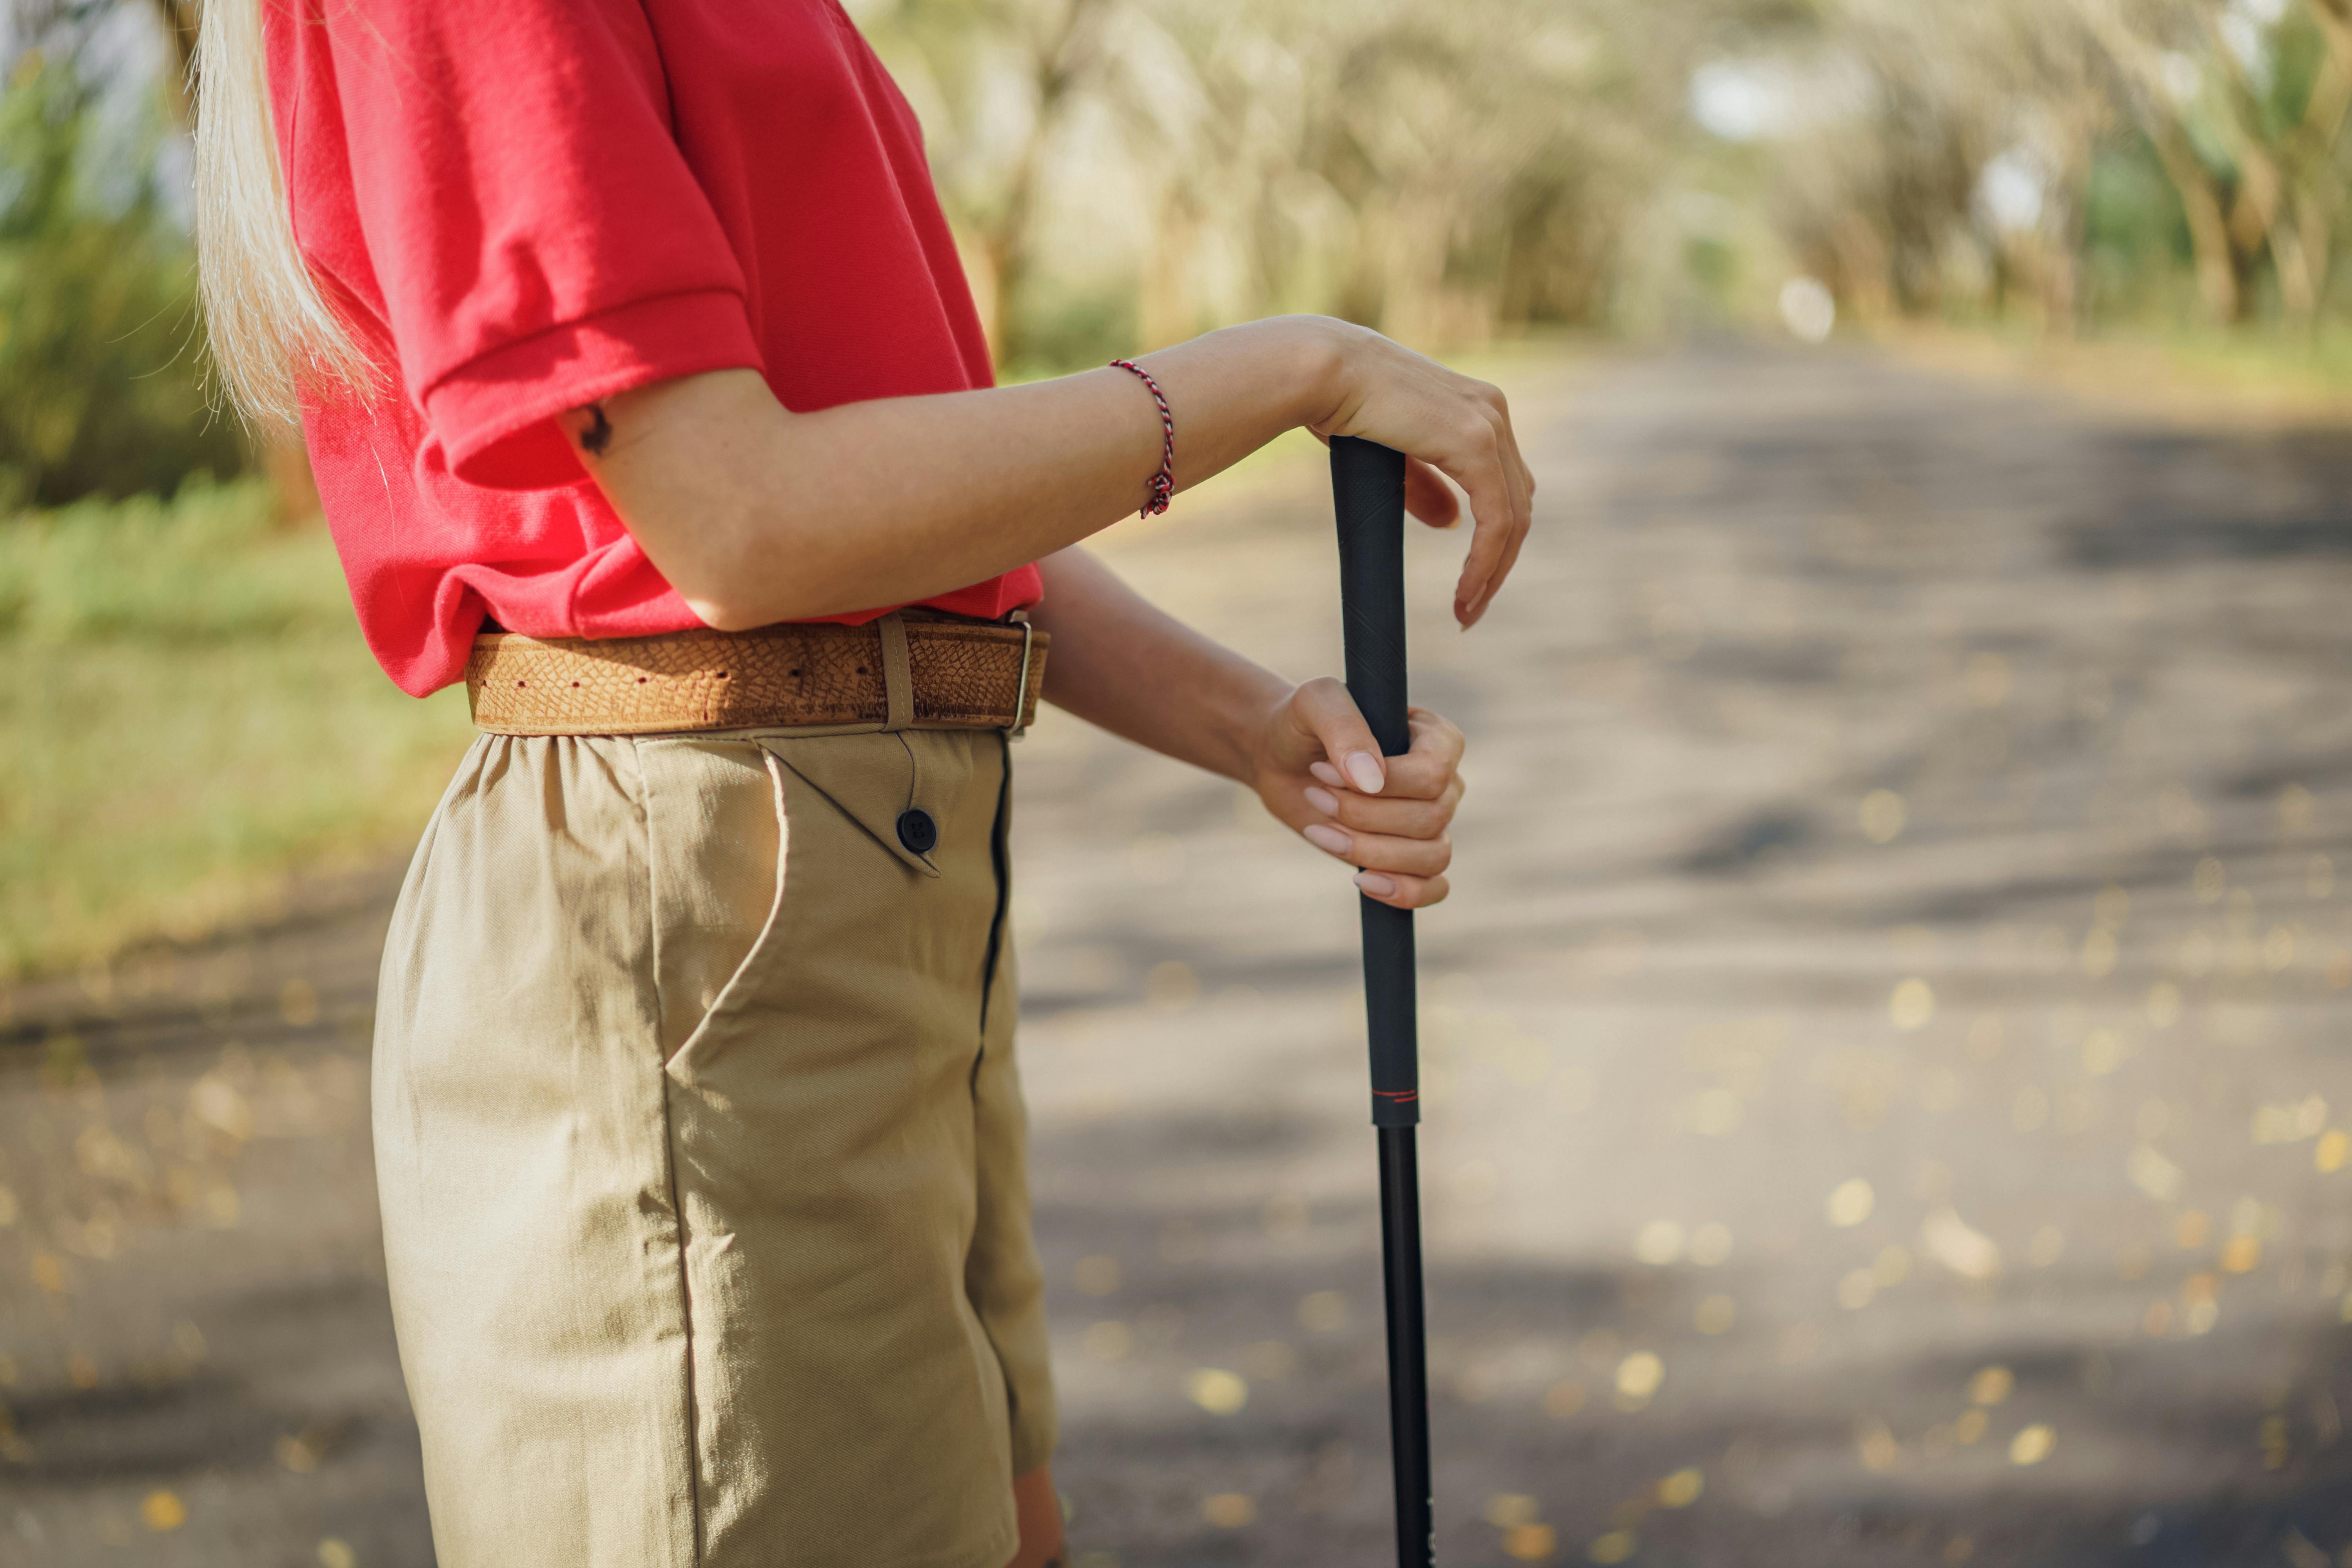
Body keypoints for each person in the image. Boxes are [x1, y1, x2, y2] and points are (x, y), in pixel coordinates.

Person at [190, 2, 1533, 1565]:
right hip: (695, 916)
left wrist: (1247, 727)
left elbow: (885, 512)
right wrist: (1293, 369)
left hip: (887, 899)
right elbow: (744, 521)